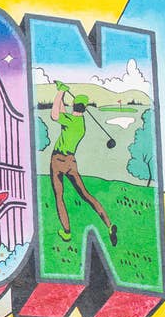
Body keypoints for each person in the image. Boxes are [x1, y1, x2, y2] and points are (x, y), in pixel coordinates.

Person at [50, 81, 117, 246]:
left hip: (58, 160)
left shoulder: (71, 121)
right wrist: (63, 93)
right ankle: (108, 225)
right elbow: (62, 114)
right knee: (86, 195)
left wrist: (59, 92)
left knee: (59, 196)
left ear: (74, 104)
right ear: (85, 108)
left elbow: (54, 115)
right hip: (71, 162)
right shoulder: (80, 124)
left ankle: (66, 232)